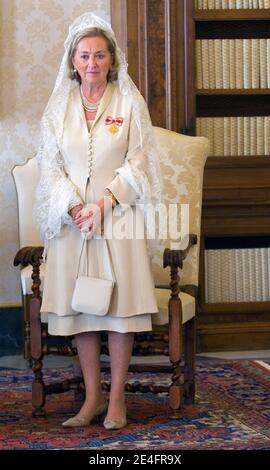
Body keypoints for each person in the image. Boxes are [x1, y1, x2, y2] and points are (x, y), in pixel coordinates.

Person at [34, 12, 162, 430]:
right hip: (73, 225)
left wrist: (106, 202)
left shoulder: (128, 102)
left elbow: (140, 160)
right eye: (84, 55)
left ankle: (118, 401)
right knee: (82, 313)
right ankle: (91, 399)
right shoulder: (58, 108)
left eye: (100, 55)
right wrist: (73, 207)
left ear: (112, 59)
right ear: (72, 60)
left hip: (118, 220)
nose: (92, 63)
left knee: (120, 313)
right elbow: (50, 167)